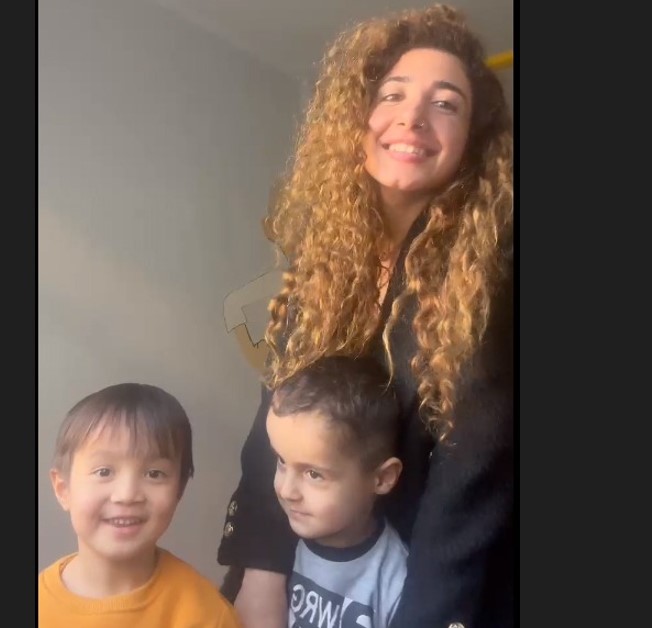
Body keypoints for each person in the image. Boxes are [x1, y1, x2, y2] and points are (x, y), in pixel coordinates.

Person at [217, 4, 513, 628]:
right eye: (393, 94)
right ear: (359, 117)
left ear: (472, 141)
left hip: (433, 587)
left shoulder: (492, 281)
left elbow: (472, 481)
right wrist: (261, 571)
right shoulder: (325, 258)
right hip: (308, 571)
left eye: (446, 103)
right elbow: (278, 416)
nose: (412, 117)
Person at [39, 383, 242, 628]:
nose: (127, 495)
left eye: (154, 474)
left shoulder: (206, 615)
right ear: (63, 489)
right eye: (104, 471)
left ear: (179, 490)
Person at [266, 355, 409, 628]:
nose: (286, 490)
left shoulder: (396, 579)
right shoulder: (279, 543)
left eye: (313, 474)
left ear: (382, 479)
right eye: (281, 461)